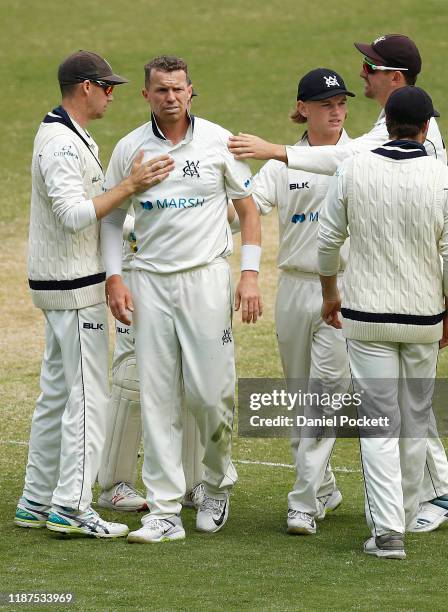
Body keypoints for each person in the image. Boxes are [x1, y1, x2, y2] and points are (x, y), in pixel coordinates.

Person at [228, 34, 448, 532]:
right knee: (349, 398)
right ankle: (428, 491)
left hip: (374, 288)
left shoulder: (386, 136)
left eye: (370, 68)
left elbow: (346, 165)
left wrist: (274, 150)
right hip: (325, 290)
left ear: (394, 78)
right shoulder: (387, 125)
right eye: (327, 103)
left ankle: (334, 503)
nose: (361, 76)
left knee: (361, 398)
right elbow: (246, 209)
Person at [101, 55, 262, 543]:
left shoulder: (218, 141)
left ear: (192, 91)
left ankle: (215, 484)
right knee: (157, 396)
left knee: (212, 395)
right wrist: (114, 277)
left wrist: (249, 275)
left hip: (206, 281)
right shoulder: (130, 147)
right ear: (146, 95)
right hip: (149, 282)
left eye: (178, 89)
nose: (170, 97)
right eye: (160, 90)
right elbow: (110, 218)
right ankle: (165, 510)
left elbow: (249, 213)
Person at [14, 51, 174, 538]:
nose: (112, 94)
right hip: (74, 288)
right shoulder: (61, 145)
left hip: (61, 284)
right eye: (107, 87)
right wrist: (130, 185)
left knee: (57, 394)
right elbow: (74, 215)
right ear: (85, 87)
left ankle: (36, 499)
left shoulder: (67, 134)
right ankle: (71, 506)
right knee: (88, 397)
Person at [317, 85, 448, 558]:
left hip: (365, 319)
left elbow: (327, 244)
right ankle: (400, 517)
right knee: (414, 419)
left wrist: (330, 295)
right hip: (424, 317)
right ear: (426, 128)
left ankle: (387, 531)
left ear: (386, 121)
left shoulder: (353, 169)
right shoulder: (446, 179)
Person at [229, 68, 353, 535]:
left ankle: (301, 502)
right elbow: (245, 212)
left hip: (343, 291)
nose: (336, 111)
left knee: (327, 396)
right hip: (295, 288)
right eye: (326, 104)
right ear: (303, 108)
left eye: (342, 103)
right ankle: (321, 486)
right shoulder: (280, 166)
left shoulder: (359, 156)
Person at [97, 210, 205, 512]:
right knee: (133, 375)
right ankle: (113, 484)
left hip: (193, 273)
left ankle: (194, 483)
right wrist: (145, 230)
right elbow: (112, 211)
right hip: (138, 272)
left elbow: (230, 215)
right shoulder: (134, 160)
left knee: (194, 372)